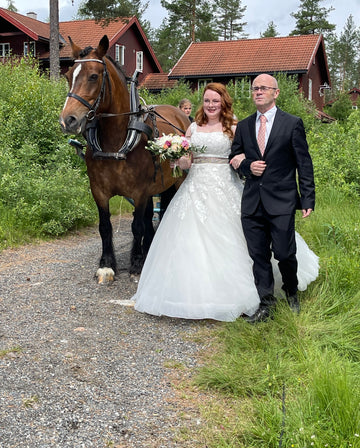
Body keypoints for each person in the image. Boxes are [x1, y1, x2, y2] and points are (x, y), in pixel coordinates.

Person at [131, 83, 318, 322]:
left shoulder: (235, 125)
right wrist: (177, 158)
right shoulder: (193, 127)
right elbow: (189, 162)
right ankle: (195, 297)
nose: (210, 105)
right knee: (189, 242)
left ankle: (272, 292)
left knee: (245, 242)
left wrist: (242, 159)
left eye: (215, 101)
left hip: (226, 186)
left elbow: (246, 151)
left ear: (223, 103)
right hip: (195, 188)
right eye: (207, 101)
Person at [230, 74, 316, 323]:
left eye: (263, 88)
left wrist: (307, 199)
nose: (258, 92)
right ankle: (266, 303)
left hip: (282, 201)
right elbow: (235, 158)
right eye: (254, 88)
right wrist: (247, 166)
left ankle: (291, 294)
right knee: (258, 256)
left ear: (276, 93)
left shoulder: (292, 123)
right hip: (252, 202)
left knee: (285, 253)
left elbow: (304, 164)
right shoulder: (244, 126)